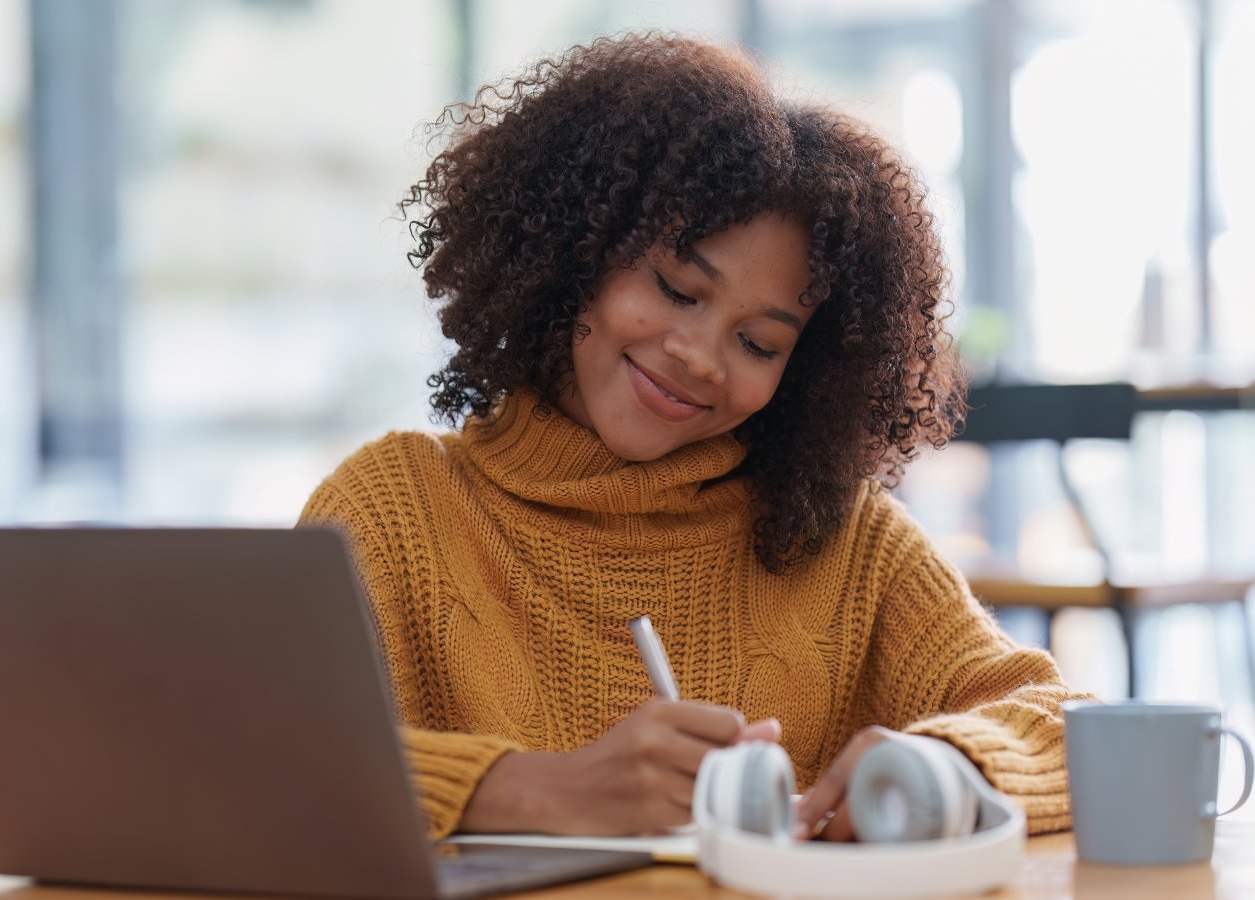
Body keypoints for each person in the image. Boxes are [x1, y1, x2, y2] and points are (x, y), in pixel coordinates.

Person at [299, 32, 1086, 842]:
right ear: (577, 251)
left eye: (760, 344)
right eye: (676, 289)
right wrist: (536, 791)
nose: (700, 359)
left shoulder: (841, 543)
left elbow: (1069, 726)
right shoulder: (392, 510)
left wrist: (948, 768)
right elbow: (256, 764)